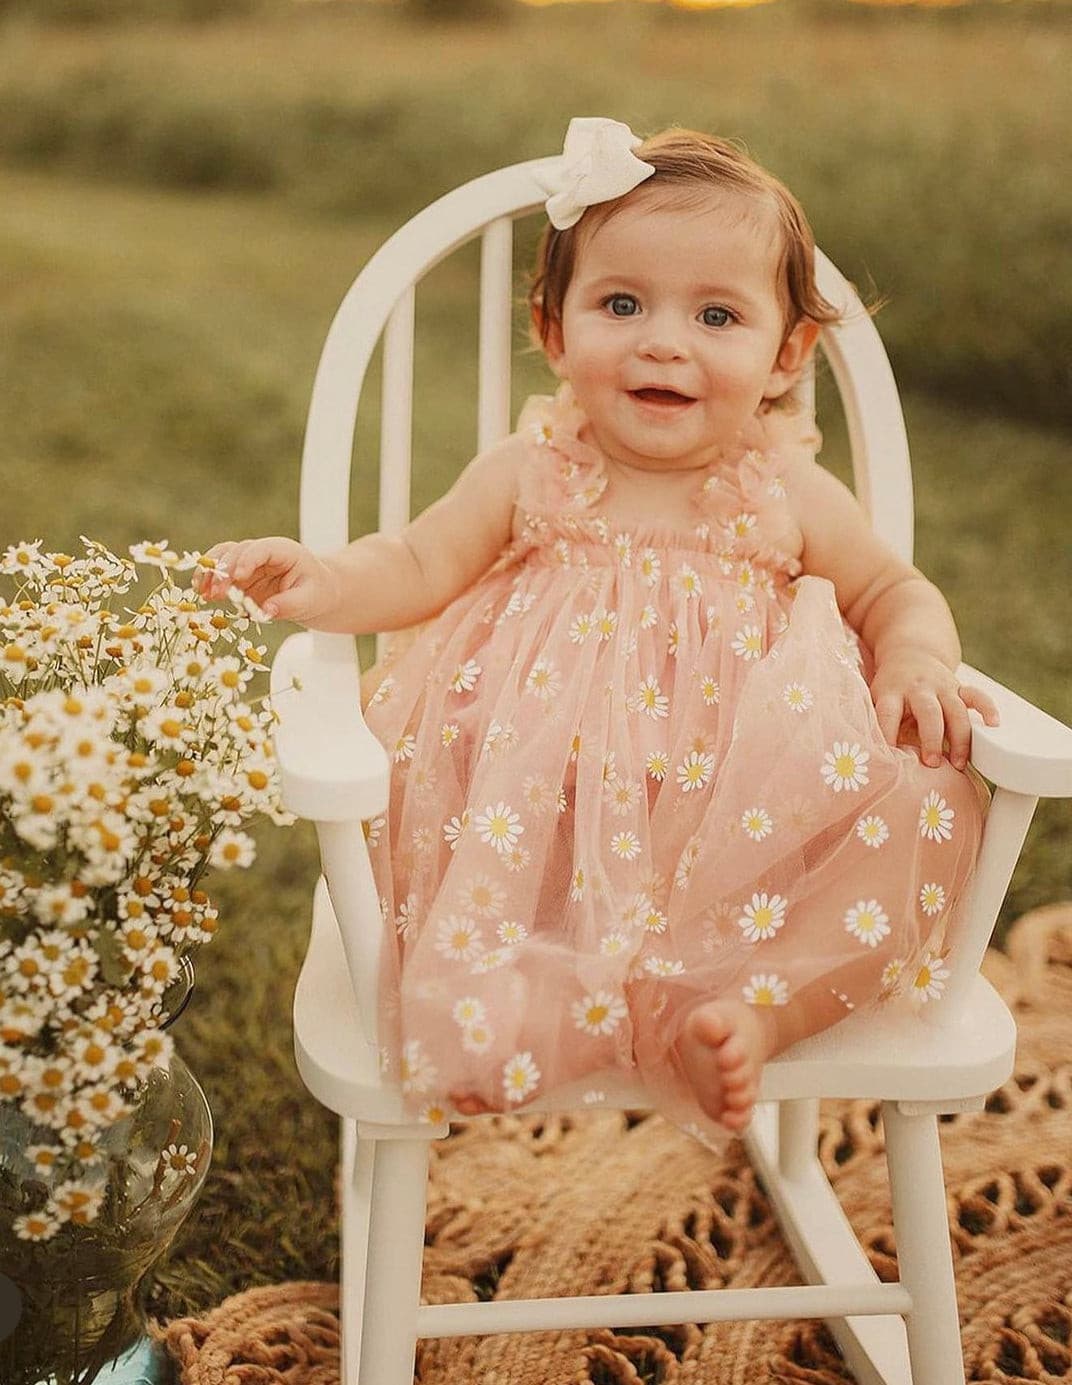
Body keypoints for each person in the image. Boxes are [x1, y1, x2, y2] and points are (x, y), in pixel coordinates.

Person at [199, 118, 999, 1147]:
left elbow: (891, 585)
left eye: (717, 314)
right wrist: (320, 577)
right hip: (550, 806)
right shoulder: (528, 467)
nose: (663, 340)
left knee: (927, 800)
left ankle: (754, 1006)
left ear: (785, 353)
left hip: (741, 813)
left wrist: (916, 654)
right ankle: (538, 995)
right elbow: (413, 565)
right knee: (457, 780)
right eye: (621, 303)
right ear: (554, 329)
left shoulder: (785, 483)